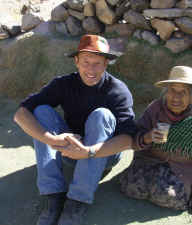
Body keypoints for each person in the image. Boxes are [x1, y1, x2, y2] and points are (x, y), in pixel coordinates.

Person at [55, 66, 192, 217]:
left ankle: (171, 189)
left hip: (180, 168)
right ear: (166, 92)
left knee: (169, 196)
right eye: (171, 91)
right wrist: (147, 137)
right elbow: (134, 137)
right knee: (130, 187)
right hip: (149, 161)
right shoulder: (156, 108)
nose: (175, 97)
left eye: (182, 92)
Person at [13, 34, 137, 225]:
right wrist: (52, 140)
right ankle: (53, 195)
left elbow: (129, 139)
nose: (91, 69)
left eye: (97, 63)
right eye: (86, 62)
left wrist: (89, 152)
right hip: (70, 151)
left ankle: (77, 201)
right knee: (41, 111)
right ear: (76, 61)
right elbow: (20, 114)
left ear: (106, 64)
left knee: (102, 115)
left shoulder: (118, 91)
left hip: (104, 154)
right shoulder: (63, 84)